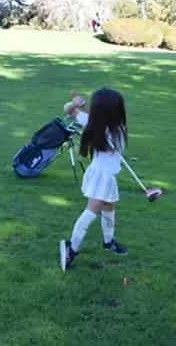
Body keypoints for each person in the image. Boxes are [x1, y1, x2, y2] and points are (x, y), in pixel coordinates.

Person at [59, 88, 128, 272]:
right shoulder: (108, 126)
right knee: (91, 212)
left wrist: (84, 111)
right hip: (101, 177)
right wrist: (74, 104)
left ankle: (108, 242)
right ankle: (71, 249)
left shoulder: (110, 129)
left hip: (105, 175)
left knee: (109, 207)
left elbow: (88, 120)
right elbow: (68, 110)